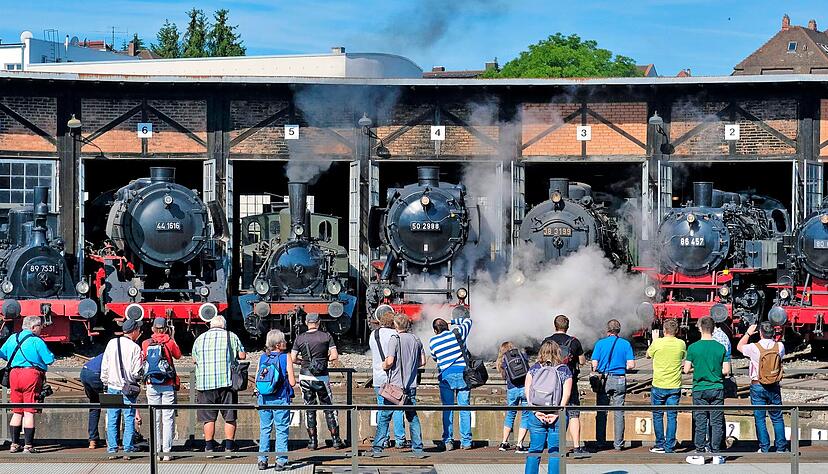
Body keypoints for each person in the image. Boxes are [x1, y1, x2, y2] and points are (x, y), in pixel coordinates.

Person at [371, 313, 427, 459]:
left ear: (396, 325)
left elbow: (389, 361)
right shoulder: (416, 339)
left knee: (384, 417)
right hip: (411, 385)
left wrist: (383, 365)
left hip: (395, 386)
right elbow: (422, 362)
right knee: (412, 416)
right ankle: (418, 448)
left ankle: (377, 447)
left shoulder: (394, 339)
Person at [192, 316, 247, 456]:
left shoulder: (200, 339)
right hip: (227, 383)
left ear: (210, 325)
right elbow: (242, 355)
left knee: (208, 418)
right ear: (224, 325)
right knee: (229, 416)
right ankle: (229, 447)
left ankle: (209, 447)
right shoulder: (231, 336)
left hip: (205, 384)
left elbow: (194, 359)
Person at [0, 316, 55, 454]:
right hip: (30, 375)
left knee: (16, 410)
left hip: (14, 375)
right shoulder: (37, 341)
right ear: (33, 328)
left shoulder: (13, 338)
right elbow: (49, 359)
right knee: (29, 410)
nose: (41, 329)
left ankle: (14, 444)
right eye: (40, 327)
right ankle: (28, 446)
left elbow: (3, 353)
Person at [291, 313, 344, 450]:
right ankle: (336, 440)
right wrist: (322, 361)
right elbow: (334, 356)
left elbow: (292, 358)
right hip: (322, 377)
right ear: (318, 322)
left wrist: (303, 362)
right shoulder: (326, 336)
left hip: (305, 376)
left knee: (309, 407)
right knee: (328, 407)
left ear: (306, 322)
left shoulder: (300, 338)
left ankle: (312, 442)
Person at [684, 316, 729, 465]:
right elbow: (726, 370)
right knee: (716, 422)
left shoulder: (693, 347)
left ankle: (700, 453)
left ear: (699, 328)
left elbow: (686, 369)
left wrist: (698, 368)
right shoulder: (720, 348)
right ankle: (716, 454)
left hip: (700, 388)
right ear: (714, 327)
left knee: (700, 421)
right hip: (717, 387)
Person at [737, 322, 788, 453]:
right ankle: (781, 448)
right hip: (774, 386)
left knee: (760, 418)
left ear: (760, 333)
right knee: (777, 418)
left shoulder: (754, 347)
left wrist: (748, 333)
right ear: (773, 333)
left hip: (757, 385)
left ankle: (764, 448)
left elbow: (739, 346)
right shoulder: (780, 346)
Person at [524, 340, 572, 474]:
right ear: (558, 352)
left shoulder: (534, 369)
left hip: (536, 414)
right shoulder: (564, 370)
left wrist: (534, 411)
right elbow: (566, 395)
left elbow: (528, 392)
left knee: (534, 450)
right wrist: (557, 413)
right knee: (555, 451)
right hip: (557, 415)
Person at [100, 318, 143, 460]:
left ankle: (112, 449)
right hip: (127, 388)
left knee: (112, 418)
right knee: (129, 418)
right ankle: (127, 449)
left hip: (111, 386)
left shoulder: (112, 343)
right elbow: (136, 372)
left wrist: (105, 381)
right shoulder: (135, 348)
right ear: (135, 331)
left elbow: (104, 365)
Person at [543, 314, 587, 455]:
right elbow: (582, 361)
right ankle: (576, 446)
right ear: (567, 327)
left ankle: (553, 446)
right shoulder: (574, 342)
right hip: (570, 383)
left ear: (554, 325)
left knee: (550, 412)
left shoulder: (547, 341)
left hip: (550, 384)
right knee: (573, 414)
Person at [429, 315, 474, 451]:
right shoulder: (458, 332)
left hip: (446, 376)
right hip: (463, 375)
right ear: (447, 327)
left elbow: (435, 357)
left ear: (435, 330)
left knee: (447, 408)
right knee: (464, 408)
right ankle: (466, 442)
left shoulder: (433, 341)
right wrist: (452, 321)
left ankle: (448, 441)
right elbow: (469, 320)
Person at [140, 317, 182, 461]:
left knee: (155, 418)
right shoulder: (169, 342)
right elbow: (178, 355)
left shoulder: (146, 343)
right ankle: (167, 452)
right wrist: (172, 338)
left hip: (152, 384)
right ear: (165, 328)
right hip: (168, 384)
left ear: (152, 329)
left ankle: (156, 451)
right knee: (168, 418)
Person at [590, 319, 635, 451]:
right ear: (619, 330)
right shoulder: (625, 344)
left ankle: (600, 442)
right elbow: (631, 365)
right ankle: (618, 444)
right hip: (620, 378)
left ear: (607, 330)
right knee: (619, 412)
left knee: (601, 411)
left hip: (604, 380)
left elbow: (594, 364)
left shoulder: (600, 344)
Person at [257, 329, 296, 471]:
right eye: (284, 341)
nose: (286, 342)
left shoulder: (262, 357)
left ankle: (262, 460)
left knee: (265, 429)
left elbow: (258, 378)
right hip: (281, 399)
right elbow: (292, 382)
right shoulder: (286, 357)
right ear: (278, 345)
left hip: (264, 399)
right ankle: (281, 461)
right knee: (281, 429)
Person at [646, 319, 686, 454]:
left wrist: (654, 340)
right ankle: (669, 446)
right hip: (674, 385)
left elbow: (647, 355)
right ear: (677, 331)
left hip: (658, 384)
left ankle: (660, 444)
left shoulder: (657, 343)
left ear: (664, 330)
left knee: (657, 415)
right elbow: (683, 357)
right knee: (671, 416)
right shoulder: (681, 344)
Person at [368, 312, 407, 449]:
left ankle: (383, 439)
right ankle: (400, 439)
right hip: (393, 377)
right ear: (393, 323)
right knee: (397, 408)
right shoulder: (395, 335)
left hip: (378, 377)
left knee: (382, 409)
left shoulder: (374, 335)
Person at [495, 341, 529, 453]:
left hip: (512, 389)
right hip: (525, 388)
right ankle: (519, 444)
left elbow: (504, 375)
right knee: (525, 415)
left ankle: (504, 442)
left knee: (510, 415)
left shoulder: (503, 359)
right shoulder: (521, 355)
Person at [80, 352, 105, 449]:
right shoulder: (121, 353)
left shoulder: (111, 348)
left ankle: (92, 440)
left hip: (85, 371)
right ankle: (112, 441)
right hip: (96, 374)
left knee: (94, 404)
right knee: (113, 405)